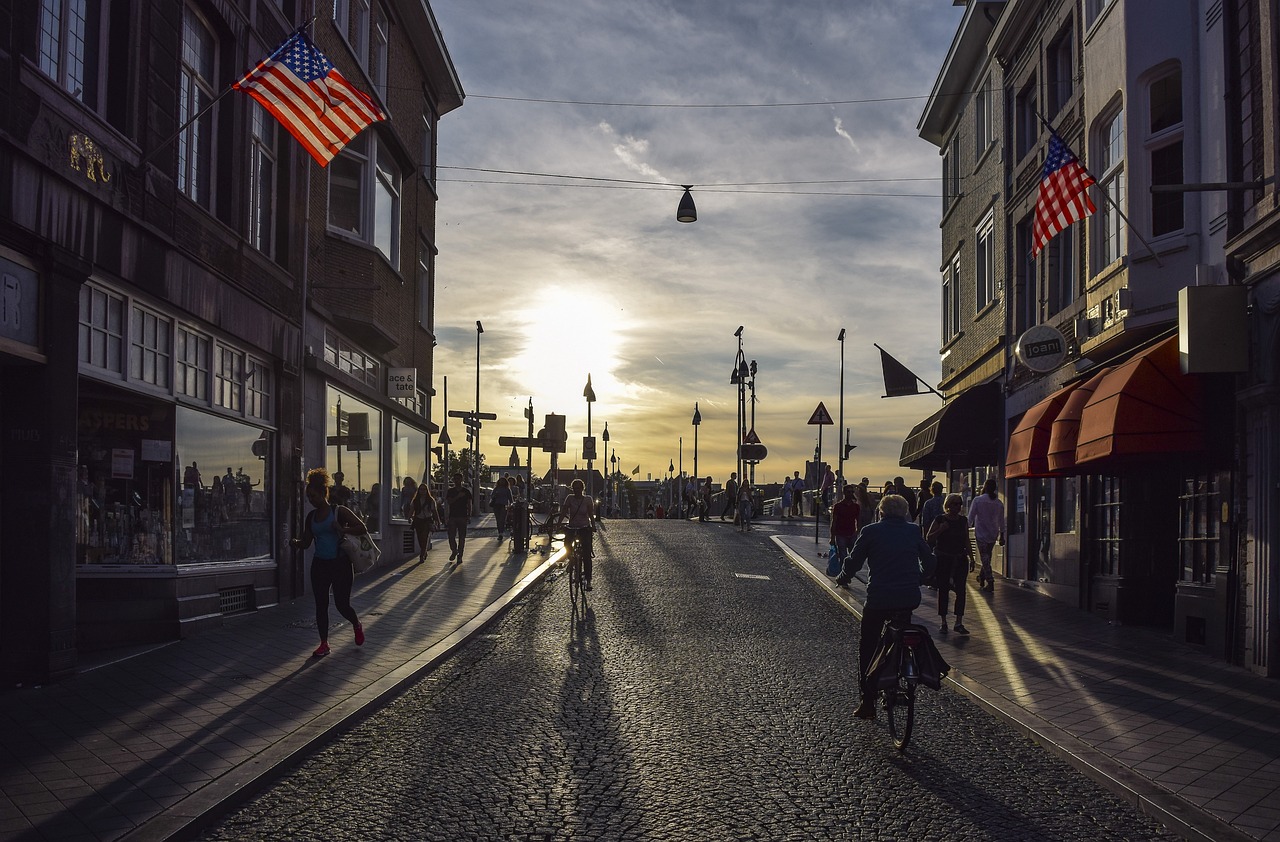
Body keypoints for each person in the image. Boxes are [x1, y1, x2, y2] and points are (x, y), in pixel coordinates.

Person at [835, 494, 935, 720]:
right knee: (901, 633)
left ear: (880, 512)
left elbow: (854, 562)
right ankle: (900, 671)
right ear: (905, 512)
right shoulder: (912, 531)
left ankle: (867, 701)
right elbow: (930, 562)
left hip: (879, 598)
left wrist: (843, 577)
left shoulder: (870, 532)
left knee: (868, 644)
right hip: (908, 597)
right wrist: (917, 578)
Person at [289, 468, 367, 658]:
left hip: (340, 564)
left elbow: (362, 527)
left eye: (313, 496)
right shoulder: (311, 518)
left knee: (341, 604)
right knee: (321, 605)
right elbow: (307, 543)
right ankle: (324, 643)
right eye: (308, 497)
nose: (310, 500)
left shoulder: (338, 511)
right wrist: (295, 542)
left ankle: (356, 624)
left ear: (324, 493)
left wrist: (341, 528)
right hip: (320, 565)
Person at [926, 493, 975, 635]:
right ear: (948, 505)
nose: (958, 506)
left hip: (960, 559)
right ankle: (943, 621)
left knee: (961, 591)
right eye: (955, 503)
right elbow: (929, 538)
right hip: (944, 559)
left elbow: (966, 540)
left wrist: (972, 558)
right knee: (943, 590)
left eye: (960, 504)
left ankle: (959, 622)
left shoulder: (963, 520)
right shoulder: (940, 519)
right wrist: (941, 529)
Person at [968, 478, 1006, 591]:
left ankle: (990, 581)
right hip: (993, 534)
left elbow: (970, 518)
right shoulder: (999, 503)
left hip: (981, 533)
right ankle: (981, 576)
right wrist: (1002, 535)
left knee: (985, 557)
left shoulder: (978, 500)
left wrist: (965, 529)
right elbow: (1002, 521)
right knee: (987, 557)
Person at [561, 479, 596, 590]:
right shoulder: (569, 498)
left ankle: (588, 579)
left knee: (586, 554)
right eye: (574, 488)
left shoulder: (588, 500)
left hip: (584, 527)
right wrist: (558, 524)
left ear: (582, 489)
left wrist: (593, 526)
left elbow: (590, 514)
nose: (576, 490)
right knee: (567, 544)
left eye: (578, 488)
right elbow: (564, 511)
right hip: (572, 526)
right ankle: (571, 561)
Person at [829, 484, 861, 572]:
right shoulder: (838, 506)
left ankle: (849, 572)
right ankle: (843, 576)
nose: (850, 494)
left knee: (853, 556)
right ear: (844, 493)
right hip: (840, 534)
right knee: (843, 556)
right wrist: (832, 537)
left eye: (852, 492)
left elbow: (858, 520)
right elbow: (834, 521)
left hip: (852, 533)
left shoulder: (856, 506)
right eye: (848, 492)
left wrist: (857, 531)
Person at [443, 472, 473, 564]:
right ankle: (454, 550)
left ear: (461, 480)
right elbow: (449, 502)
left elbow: (469, 504)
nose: (457, 481)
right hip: (453, 516)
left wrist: (469, 515)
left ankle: (460, 555)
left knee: (462, 537)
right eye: (455, 479)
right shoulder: (451, 491)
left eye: (458, 479)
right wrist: (457, 497)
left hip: (463, 516)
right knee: (451, 536)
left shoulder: (466, 491)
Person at [409, 483, 440, 563]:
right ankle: (424, 550)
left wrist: (438, 521)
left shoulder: (430, 500)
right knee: (419, 538)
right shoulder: (415, 500)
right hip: (418, 520)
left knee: (425, 537)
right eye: (421, 489)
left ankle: (422, 555)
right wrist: (409, 517)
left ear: (427, 491)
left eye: (424, 489)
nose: (422, 491)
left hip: (427, 520)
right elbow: (412, 510)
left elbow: (434, 511)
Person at [491, 475, 514, 542]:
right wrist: (495, 495)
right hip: (496, 505)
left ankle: (501, 532)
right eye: (501, 481)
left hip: (504, 505)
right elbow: (492, 496)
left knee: (502, 519)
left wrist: (511, 504)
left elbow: (510, 498)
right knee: (498, 520)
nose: (501, 483)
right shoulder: (496, 489)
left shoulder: (507, 489)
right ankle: (500, 533)